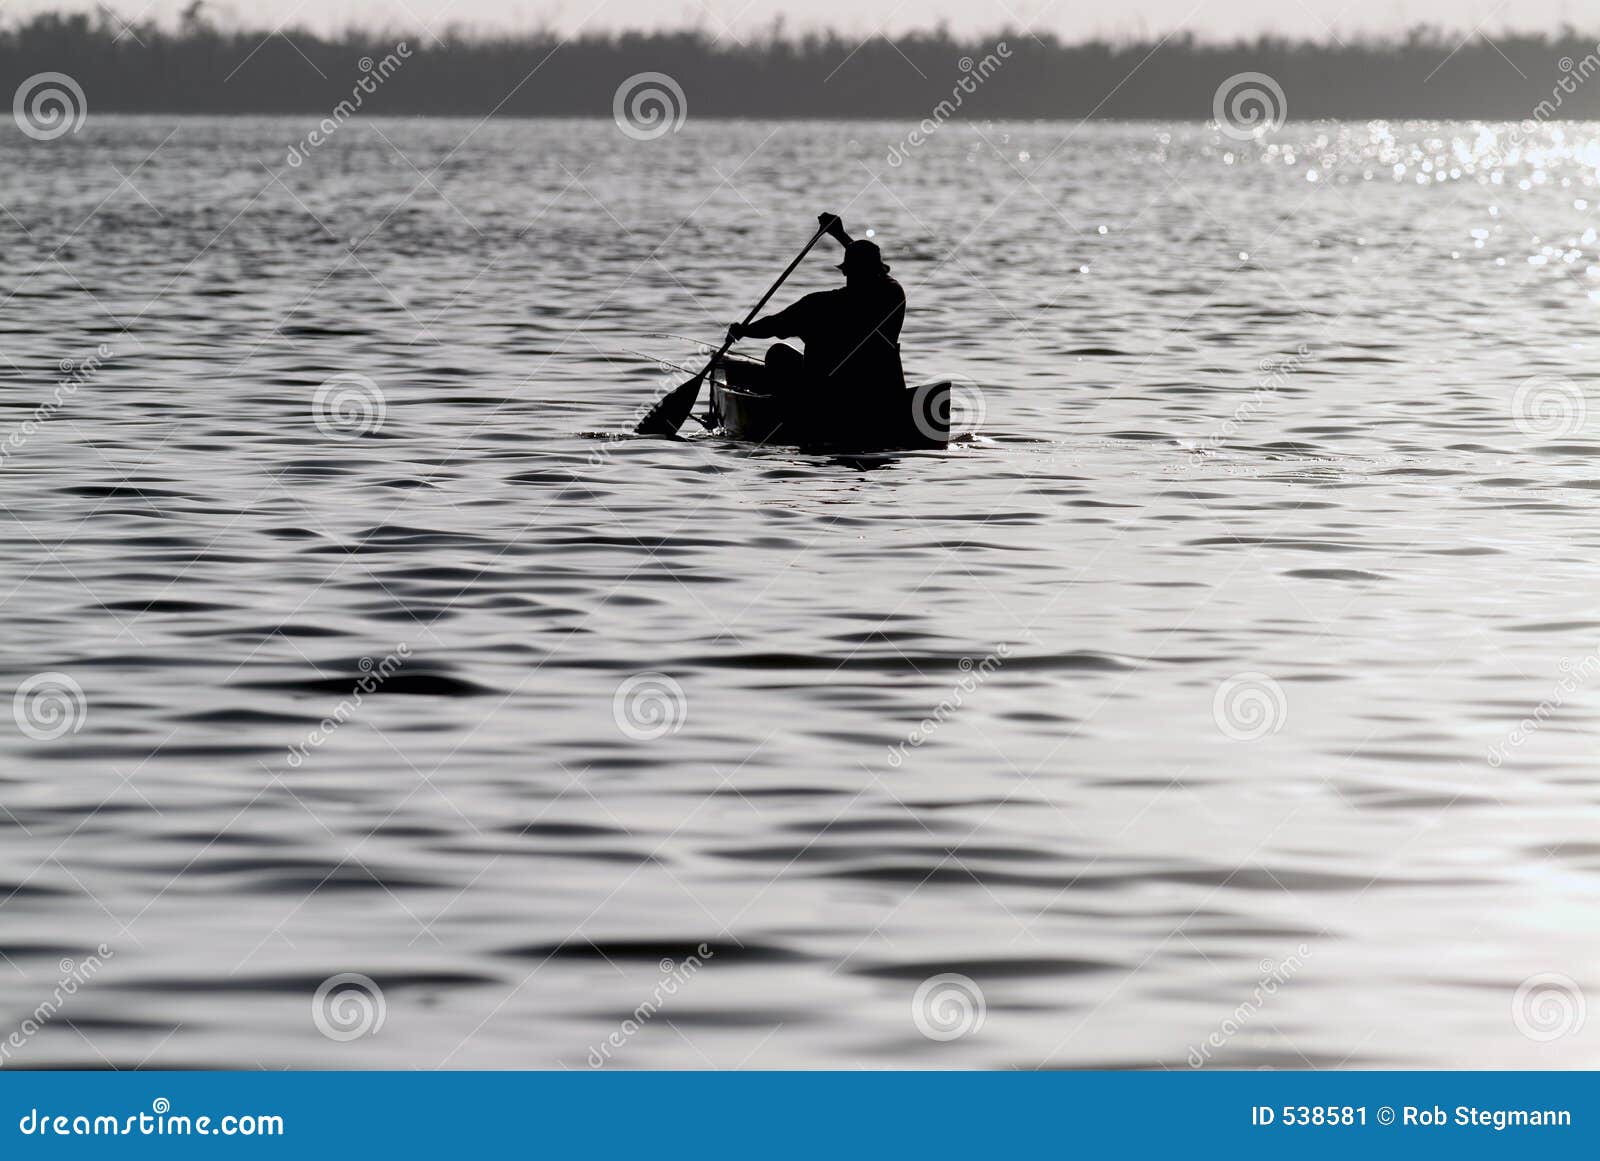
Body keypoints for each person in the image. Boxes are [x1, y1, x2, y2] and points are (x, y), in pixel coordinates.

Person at [726, 214, 907, 404]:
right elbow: (870, 269)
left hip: (827, 396)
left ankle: (789, 410)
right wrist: (840, 235)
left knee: (778, 354)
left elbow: (775, 324)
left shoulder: (821, 304)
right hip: (882, 392)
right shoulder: (893, 296)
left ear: (845, 271)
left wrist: (743, 331)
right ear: (879, 271)